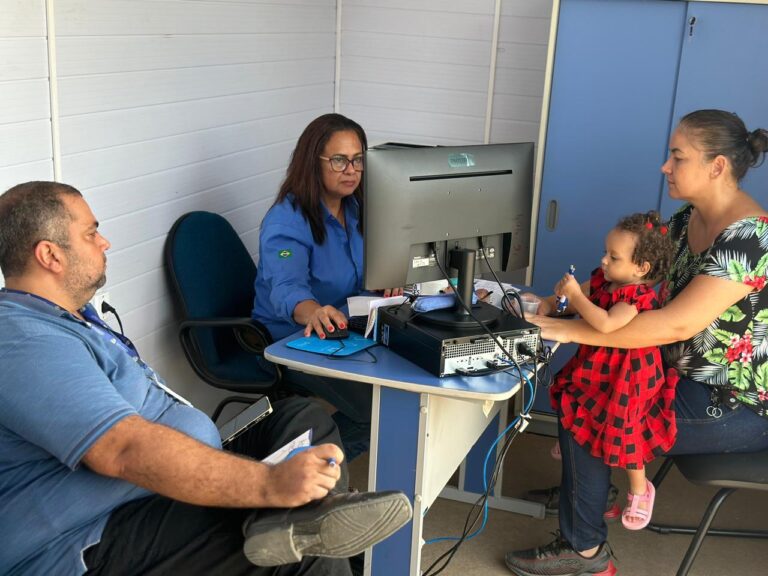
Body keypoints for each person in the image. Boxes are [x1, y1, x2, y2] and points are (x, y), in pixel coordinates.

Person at [0, 181, 411, 576]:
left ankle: (295, 524)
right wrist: (269, 484)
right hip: (92, 534)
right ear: (50, 255)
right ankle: (302, 534)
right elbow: (122, 449)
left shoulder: (72, 318)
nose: (104, 242)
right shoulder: (24, 339)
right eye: (91, 234)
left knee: (300, 418)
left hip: (152, 491)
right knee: (298, 552)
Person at [505, 109, 768, 576]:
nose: (666, 167)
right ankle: (591, 495)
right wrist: (553, 304)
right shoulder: (688, 218)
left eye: (677, 157)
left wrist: (565, 329)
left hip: (734, 403)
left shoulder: (750, 239)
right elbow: (633, 283)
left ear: (717, 166)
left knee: (590, 410)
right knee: (586, 389)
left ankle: (585, 551)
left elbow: (674, 326)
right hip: (675, 374)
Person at [252, 113, 399, 460]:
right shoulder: (286, 220)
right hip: (293, 337)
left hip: (348, 328)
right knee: (377, 411)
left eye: (358, 160)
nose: (351, 170)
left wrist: (388, 281)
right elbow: (287, 287)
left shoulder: (357, 208)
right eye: (339, 160)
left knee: (404, 383)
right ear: (313, 162)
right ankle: (293, 471)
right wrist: (314, 312)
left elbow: (371, 268)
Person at [529, 211, 678, 531]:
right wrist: (555, 301)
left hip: (629, 374)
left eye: (613, 256)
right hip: (601, 365)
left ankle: (640, 489)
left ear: (641, 268)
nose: (604, 260)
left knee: (625, 429)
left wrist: (575, 296)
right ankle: (579, 438)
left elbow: (606, 324)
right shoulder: (606, 279)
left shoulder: (635, 297)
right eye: (605, 252)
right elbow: (581, 297)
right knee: (575, 396)